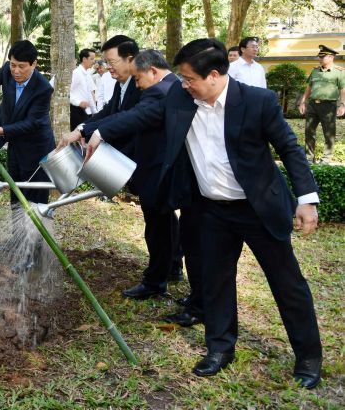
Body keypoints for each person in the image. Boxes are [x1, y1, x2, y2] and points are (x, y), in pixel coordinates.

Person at [85, 38, 322, 388]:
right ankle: (220, 349)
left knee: (287, 283)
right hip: (210, 209)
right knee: (215, 281)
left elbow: (289, 148)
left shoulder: (257, 101)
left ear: (213, 75)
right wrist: (96, 130)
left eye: (189, 78)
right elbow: (141, 115)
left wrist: (307, 198)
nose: (183, 84)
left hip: (256, 208)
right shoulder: (181, 98)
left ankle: (308, 358)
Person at [62, 49, 181, 301]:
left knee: (158, 225)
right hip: (157, 165)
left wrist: (100, 132)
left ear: (151, 70)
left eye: (139, 79)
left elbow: (134, 116)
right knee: (165, 221)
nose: (138, 85)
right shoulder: (167, 85)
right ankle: (171, 266)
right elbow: (118, 113)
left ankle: (156, 281)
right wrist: (89, 128)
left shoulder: (160, 90)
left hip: (157, 167)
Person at [0, 40, 54, 205]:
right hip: (15, 145)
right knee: (16, 193)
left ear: (34, 64)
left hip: (36, 149)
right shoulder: (7, 71)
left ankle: (36, 230)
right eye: (13, 65)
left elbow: (31, 123)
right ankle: (17, 231)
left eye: (21, 66)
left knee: (35, 198)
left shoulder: (43, 88)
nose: (16, 71)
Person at [298, 45, 345, 164]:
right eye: (319, 56)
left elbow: (343, 90)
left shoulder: (339, 72)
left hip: (328, 106)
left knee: (329, 133)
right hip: (313, 105)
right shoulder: (315, 71)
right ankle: (309, 158)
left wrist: (343, 105)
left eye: (322, 57)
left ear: (331, 57)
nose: (319, 59)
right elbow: (309, 87)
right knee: (309, 132)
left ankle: (326, 158)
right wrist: (303, 102)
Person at [69, 48, 97, 130]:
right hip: (76, 110)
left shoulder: (87, 74)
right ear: (84, 59)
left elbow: (89, 94)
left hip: (86, 111)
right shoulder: (76, 73)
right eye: (91, 59)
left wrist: (95, 111)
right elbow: (67, 92)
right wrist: (78, 103)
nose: (93, 61)